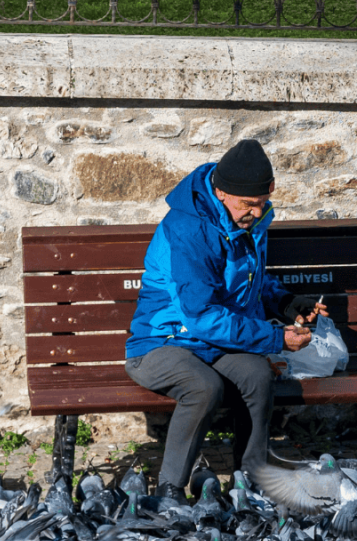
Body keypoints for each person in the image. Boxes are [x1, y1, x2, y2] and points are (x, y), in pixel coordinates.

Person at [124, 140, 326, 503]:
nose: (254, 212)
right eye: (247, 205)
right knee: (203, 387)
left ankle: (249, 482)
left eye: (261, 203)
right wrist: (276, 339)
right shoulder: (188, 230)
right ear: (219, 192)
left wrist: (287, 303)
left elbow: (247, 281)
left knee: (257, 375)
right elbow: (201, 316)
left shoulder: (250, 218)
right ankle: (170, 490)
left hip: (212, 341)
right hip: (162, 341)